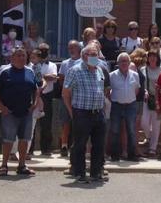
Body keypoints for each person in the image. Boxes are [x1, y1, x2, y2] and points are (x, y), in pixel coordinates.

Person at [0, 46, 41, 177]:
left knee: (24, 140)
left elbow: (37, 88)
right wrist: (1, 107)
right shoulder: (3, 70)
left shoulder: (30, 71)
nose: (21, 58)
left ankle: (22, 165)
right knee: (8, 140)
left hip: (26, 111)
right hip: (9, 112)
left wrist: (34, 104)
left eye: (23, 55)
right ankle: (4, 166)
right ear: (12, 58)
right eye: (18, 55)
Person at [63, 44, 108, 183]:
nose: (96, 58)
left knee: (99, 144)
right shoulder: (74, 71)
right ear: (84, 56)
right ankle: (79, 173)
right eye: (92, 55)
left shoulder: (99, 70)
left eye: (97, 55)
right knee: (80, 144)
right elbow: (66, 93)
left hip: (98, 112)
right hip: (81, 112)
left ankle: (96, 172)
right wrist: (72, 112)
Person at [109, 52, 140, 161]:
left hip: (131, 105)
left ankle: (131, 155)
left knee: (131, 130)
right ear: (118, 63)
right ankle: (115, 155)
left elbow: (136, 90)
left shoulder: (135, 75)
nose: (124, 63)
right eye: (122, 61)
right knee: (115, 130)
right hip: (116, 105)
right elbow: (108, 92)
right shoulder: (111, 75)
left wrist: (128, 98)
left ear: (129, 62)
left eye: (126, 61)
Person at [57, 40, 82, 157]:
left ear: (79, 49)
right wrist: (67, 90)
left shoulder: (84, 62)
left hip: (80, 97)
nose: (71, 50)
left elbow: (99, 65)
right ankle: (64, 145)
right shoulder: (65, 63)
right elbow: (61, 78)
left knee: (79, 122)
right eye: (69, 48)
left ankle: (77, 146)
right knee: (65, 122)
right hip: (66, 96)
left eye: (74, 47)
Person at [140, 50, 161, 157]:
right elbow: (140, 84)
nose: (152, 58)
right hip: (146, 99)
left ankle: (153, 148)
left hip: (158, 99)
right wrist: (144, 91)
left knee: (156, 125)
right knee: (143, 121)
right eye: (150, 56)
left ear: (158, 58)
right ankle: (149, 137)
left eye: (154, 56)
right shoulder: (143, 69)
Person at [37, 42, 57, 156]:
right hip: (35, 95)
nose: (43, 52)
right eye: (41, 50)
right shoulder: (33, 63)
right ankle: (29, 150)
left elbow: (54, 78)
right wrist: (46, 77)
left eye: (45, 50)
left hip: (47, 95)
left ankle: (46, 148)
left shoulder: (52, 65)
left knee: (46, 123)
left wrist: (40, 77)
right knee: (34, 123)